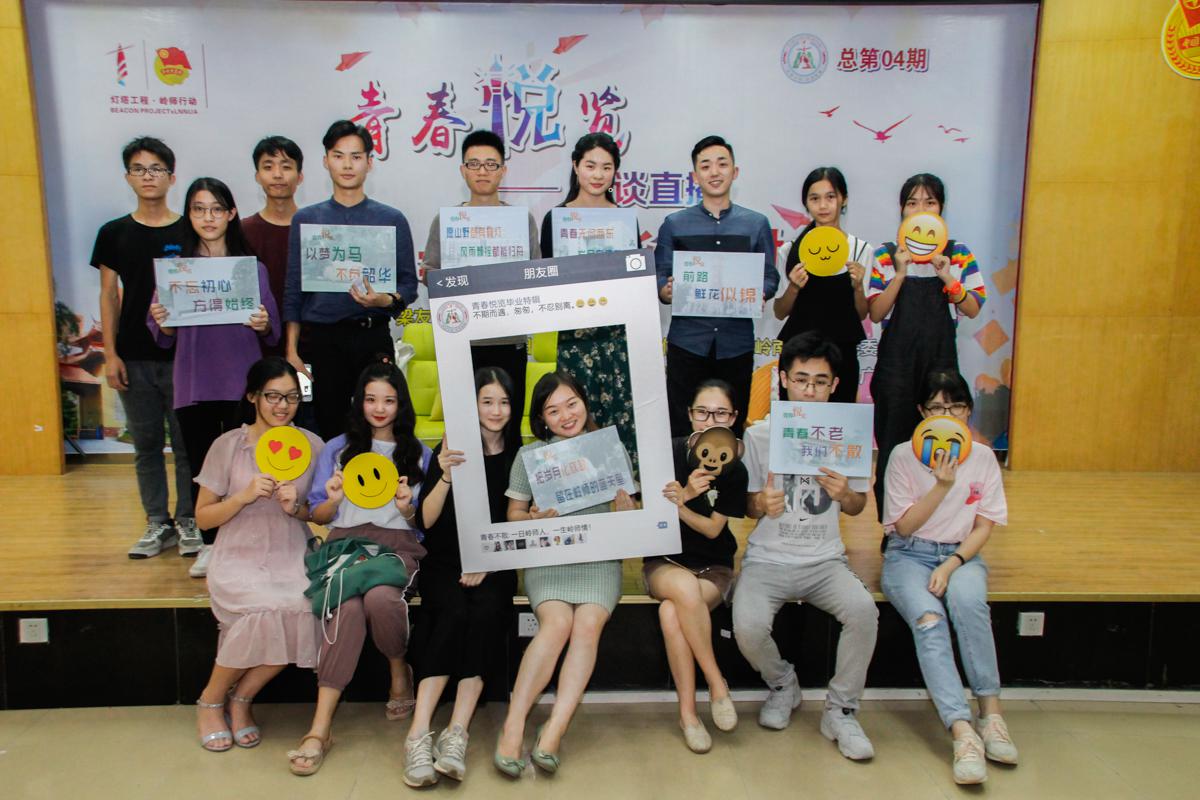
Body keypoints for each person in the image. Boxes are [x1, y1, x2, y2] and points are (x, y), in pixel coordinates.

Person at [732, 332, 879, 760]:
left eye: (820, 381)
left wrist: (844, 494)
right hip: (767, 559)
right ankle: (783, 684)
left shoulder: (845, 434)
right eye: (800, 380)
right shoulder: (760, 436)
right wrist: (761, 503)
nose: (809, 390)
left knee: (864, 612)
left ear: (835, 385)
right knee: (748, 627)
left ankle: (841, 710)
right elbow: (747, 506)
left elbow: (857, 506)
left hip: (825, 561)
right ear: (783, 379)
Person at [288, 361, 432, 776]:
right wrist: (333, 499)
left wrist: (407, 508)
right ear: (359, 402)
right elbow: (319, 513)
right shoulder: (337, 448)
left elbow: (423, 522)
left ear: (401, 404)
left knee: (381, 598)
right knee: (347, 606)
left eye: (389, 400)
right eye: (371, 399)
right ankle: (320, 728)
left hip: (396, 545)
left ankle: (397, 666)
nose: (379, 408)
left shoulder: (419, 453)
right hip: (345, 545)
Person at [494, 371, 637, 777]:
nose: (566, 415)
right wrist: (533, 518)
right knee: (556, 624)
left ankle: (554, 728)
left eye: (571, 403)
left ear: (585, 402)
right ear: (541, 418)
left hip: (599, 560)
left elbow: (629, 511)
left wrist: (627, 510)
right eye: (553, 410)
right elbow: (513, 514)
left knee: (587, 625)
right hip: (551, 558)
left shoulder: (609, 449)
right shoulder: (531, 456)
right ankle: (514, 725)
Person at [880, 368, 1014, 785]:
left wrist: (952, 563)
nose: (947, 415)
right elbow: (903, 528)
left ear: (968, 411)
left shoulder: (983, 457)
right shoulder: (903, 455)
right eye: (937, 407)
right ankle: (961, 731)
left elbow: (984, 526)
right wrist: (940, 485)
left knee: (969, 605)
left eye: (956, 406)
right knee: (930, 621)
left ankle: (991, 715)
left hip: (962, 556)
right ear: (922, 412)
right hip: (908, 556)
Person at [148, 177, 279, 578]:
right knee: (202, 468)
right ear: (189, 215)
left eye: (216, 209)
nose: (208, 217)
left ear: (231, 214)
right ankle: (208, 544)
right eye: (199, 209)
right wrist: (163, 322)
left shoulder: (251, 270)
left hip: (242, 384)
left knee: (250, 465)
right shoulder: (176, 272)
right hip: (195, 383)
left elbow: (272, 330)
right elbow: (161, 335)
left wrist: (262, 322)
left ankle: (250, 540)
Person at [191, 357, 323, 752]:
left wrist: (297, 507)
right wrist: (243, 497)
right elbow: (203, 517)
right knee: (261, 610)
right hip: (238, 552)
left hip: (290, 549)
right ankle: (210, 700)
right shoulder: (228, 445)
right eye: (273, 396)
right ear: (253, 397)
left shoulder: (311, 446)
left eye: (292, 397)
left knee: (301, 606)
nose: (283, 406)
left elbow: (320, 513)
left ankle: (242, 699)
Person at [402, 367, 521, 787]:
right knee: (451, 612)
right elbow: (426, 520)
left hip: (495, 561)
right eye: (487, 401)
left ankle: (457, 732)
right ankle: (418, 733)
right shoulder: (450, 449)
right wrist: (446, 475)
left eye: (504, 402)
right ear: (472, 406)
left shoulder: (520, 454)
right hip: (445, 561)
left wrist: (486, 560)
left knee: (487, 612)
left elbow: (516, 525)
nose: (496, 410)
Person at [90, 136, 198, 560]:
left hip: (183, 357)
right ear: (128, 177)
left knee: (187, 445)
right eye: (139, 169)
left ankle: (188, 519)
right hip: (133, 356)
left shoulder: (188, 230)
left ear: (172, 177)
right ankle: (157, 521)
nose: (148, 176)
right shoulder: (113, 233)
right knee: (147, 445)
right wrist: (110, 353)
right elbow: (108, 295)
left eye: (156, 169)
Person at [282, 120, 419, 440]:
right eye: (338, 155)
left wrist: (384, 300)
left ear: (369, 162)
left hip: (372, 336)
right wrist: (292, 350)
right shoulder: (307, 220)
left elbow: (408, 285)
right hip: (323, 341)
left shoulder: (391, 219)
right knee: (328, 427)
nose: (347, 165)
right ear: (325, 161)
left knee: (380, 426)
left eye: (356, 157)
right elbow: (293, 290)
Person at [867, 173, 985, 521]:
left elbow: (972, 308)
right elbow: (876, 312)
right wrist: (900, 273)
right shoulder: (885, 254)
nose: (920, 209)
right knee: (892, 450)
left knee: (941, 448)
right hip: (895, 372)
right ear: (902, 210)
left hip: (941, 369)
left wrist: (947, 276)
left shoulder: (958, 254)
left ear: (941, 209)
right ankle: (893, 529)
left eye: (929, 202)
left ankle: (938, 527)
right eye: (912, 202)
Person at [654, 135, 777, 437]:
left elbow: (770, 276)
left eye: (722, 164)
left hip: (736, 344)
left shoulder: (756, 224)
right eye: (706, 166)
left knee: (731, 426)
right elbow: (660, 275)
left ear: (735, 172)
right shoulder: (675, 224)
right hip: (688, 342)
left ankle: (729, 471)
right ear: (695, 176)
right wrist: (666, 291)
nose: (715, 172)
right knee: (682, 426)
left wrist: (759, 292)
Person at [650, 379, 746, 753]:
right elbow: (650, 518)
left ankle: (688, 715)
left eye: (720, 413)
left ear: (733, 418)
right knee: (683, 590)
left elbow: (712, 530)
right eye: (702, 412)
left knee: (671, 613)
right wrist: (687, 493)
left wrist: (681, 505)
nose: (710, 420)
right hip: (665, 561)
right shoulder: (668, 454)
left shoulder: (735, 469)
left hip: (713, 567)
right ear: (690, 415)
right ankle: (717, 683)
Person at [421, 129, 541, 418]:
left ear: (503, 171)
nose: (482, 171)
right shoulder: (446, 222)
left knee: (508, 426)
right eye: (474, 164)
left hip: (508, 340)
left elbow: (536, 274)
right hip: (459, 339)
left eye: (491, 164)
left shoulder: (521, 221)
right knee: (462, 425)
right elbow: (429, 274)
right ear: (463, 170)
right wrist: (447, 278)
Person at [539, 132, 639, 472]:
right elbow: (546, 277)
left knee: (619, 417)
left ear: (615, 172)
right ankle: (577, 487)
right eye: (590, 165)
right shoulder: (556, 218)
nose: (598, 175)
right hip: (573, 338)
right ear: (575, 166)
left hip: (615, 337)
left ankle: (623, 490)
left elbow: (634, 277)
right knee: (574, 415)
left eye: (606, 167)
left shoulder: (625, 220)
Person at [773, 167, 876, 404]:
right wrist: (794, 287)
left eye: (830, 197)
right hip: (798, 356)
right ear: (806, 204)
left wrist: (858, 287)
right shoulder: (790, 250)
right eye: (814, 198)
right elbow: (779, 312)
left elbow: (862, 314)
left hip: (842, 353)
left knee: (840, 421)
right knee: (795, 420)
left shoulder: (860, 249)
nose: (823, 206)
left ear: (843, 199)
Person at [241, 135, 304, 360]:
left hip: (310, 343)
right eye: (268, 167)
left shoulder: (316, 230)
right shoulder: (242, 232)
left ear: (300, 176)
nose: (277, 174)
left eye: (286, 167)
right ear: (257, 176)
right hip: (256, 344)